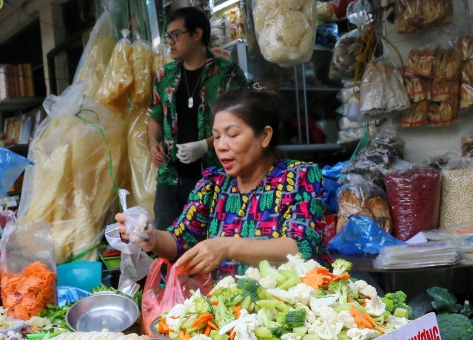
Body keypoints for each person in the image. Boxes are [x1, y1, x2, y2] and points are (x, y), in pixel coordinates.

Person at [118, 88, 331, 275]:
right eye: (217, 137)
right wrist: (150, 236)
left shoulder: (299, 177)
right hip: (234, 306)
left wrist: (226, 247)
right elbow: (178, 241)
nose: (221, 146)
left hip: (298, 301)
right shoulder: (214, 184)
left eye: (232, 135)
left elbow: (299, 247)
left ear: (265, 136)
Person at [149, 7, 247, 230]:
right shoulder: (164, 75)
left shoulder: (228, 73)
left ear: (197, 34)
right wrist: (153, 144)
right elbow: (154, 117)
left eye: (176, 35)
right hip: (170, 179)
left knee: (214, 241)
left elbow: (241, 124)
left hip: (216, 178)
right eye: (168, 36)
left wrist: (205, 145)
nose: (170, 42)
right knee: (165, 240)